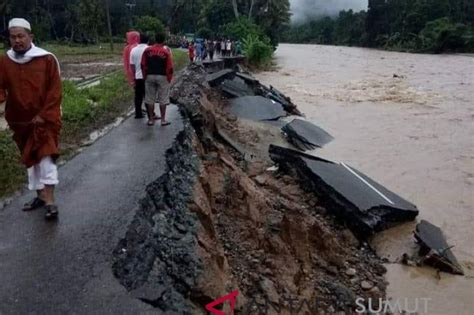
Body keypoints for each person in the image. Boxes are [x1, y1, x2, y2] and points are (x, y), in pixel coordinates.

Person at [0, 18, 62, 220]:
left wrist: (44, 115)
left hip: (44, 120)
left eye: (21, 36)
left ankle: (50, 201)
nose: (17, 40)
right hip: (20, 122)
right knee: (31, 161)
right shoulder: (5, 61)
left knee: (46, 157)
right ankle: (40, 196)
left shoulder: (46, 59)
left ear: (30, 37)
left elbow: (55, 91)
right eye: (13, 37)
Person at [141, 31, 174, 127]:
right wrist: (169, 78)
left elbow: (143, 64)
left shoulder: (147, 51)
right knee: (163, 99)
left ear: (155, 39)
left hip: (149, 76)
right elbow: (170, 67)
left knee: (150, 99)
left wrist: (144, 76)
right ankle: (163, 120)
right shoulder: (166, 52)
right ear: (163, 40)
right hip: (162, 76)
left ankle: (151, 120)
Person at [129, 33, 149, 119]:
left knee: (138, 96)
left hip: (138, 76)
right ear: (148, 41)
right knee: (148, 97)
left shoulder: (133, 50)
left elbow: (132, 65)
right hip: (147, 77)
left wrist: (134, 75)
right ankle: (151, 114)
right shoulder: (148, 49)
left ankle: (138, 113)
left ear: (139, 40)